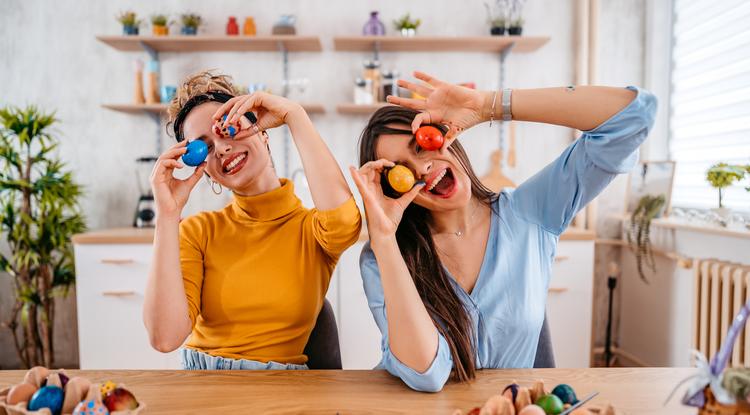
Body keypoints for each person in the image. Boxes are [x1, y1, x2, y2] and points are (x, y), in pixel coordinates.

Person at [350, 71, 656, 391]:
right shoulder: (383, 258)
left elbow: (634, 116)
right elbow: (427, 373)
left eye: (423, 145)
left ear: (446, 137)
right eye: (401, 171)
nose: (423, 168)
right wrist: (384, 240)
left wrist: (489, 105)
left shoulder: (530, 212)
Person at [143, 71, 361, 370]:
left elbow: (345, 221)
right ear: (203, 168)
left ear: (262, 129)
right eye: (203, 148)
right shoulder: (198, 232)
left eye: (227, 129)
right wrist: (167, 217)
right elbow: (165, 338)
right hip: (204, 387)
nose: (220, 149)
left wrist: (294, 115)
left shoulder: (313, 232)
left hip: (280, 391)